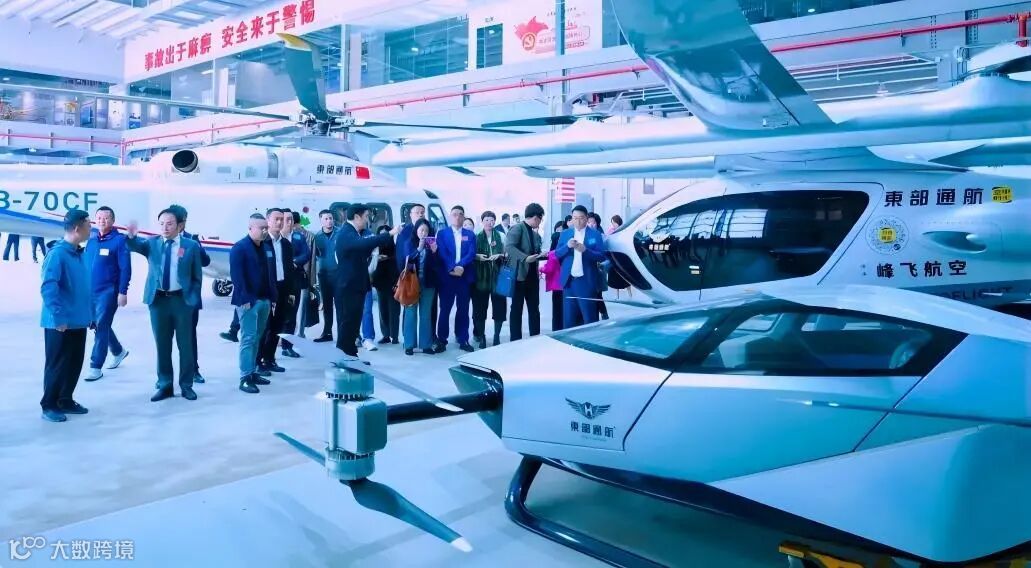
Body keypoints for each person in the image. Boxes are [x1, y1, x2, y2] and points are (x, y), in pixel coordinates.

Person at [126, 208, 204, 402]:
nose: (165, 227)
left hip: (181, 301)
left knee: (185, 346)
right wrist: (131, 236)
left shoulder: (191, 246)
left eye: (169, 224)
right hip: (158, 301)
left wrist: (192, 299)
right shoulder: (152, 243)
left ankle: (186, 385)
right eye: (161, 224)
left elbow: (197, 276)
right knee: (162, 345)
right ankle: (165, 385)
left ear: (179, 225)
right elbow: (133, 245)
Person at [39, 209, 93, 422]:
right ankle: (49, 405)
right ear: (77, 228)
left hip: (78, 319)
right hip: (60, 322)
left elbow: (85, 287)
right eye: (89, 224)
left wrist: (91, 314)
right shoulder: (58, 254)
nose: (91, 228)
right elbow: (48, 287)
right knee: (57, 364)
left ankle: (65, 399)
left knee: (74, 362)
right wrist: (58, 316)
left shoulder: (80, 253)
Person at [335, 204, 400, 358]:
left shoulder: (353, 233)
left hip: (357, 286)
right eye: (365, 217)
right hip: (348, 288)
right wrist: (390, 233)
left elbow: (362, 250)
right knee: (348, 324)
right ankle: (344, 358)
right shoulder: (346, 233)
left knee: (353, 324)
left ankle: (351, 356)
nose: (367, 220)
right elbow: (363, 244)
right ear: (356, 217)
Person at [229, 214, 277, 394]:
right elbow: (237, 277)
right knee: (248, 338)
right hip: (248, 302)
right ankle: (244, 377)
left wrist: (272, 298)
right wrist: (245, 300)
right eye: (261, 228)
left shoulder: (266, 247)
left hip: (264, 300)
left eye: (266, 228)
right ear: (250, 228)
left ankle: (253, 371)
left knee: (258, 337)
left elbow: (270, 274)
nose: (264, 231)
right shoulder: (239, 248)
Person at [83, 206, 131, 382]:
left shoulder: (119, 241)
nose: (102, 221)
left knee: (101, 326)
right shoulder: (91, 240)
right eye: (99, 218)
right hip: (90, 291)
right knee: (97, 324)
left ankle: (95, 366)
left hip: (108, 292)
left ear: (112, 220)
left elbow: (125, 268)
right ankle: (118, 351)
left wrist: (123, 292)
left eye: (106, 218)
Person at [169, 204, 210, 384]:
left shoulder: (192, 240)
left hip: (188, 299)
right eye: (182, 219)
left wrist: (197, 247)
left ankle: (194, 370)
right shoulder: (162, 241)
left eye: (184, 220)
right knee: (166, 338)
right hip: (166, 298)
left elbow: (206, 261)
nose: (183, 223)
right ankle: (166, 376)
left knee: (189, 336)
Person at [556, 205, 607, 329]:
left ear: (586, 218)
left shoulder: (595, 234)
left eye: (581, 218)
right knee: (569, 320)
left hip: (586, 281)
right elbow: (557, 254)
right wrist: (567, 247)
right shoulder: (565, 234)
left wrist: (586, 251)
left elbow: (602, 256)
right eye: (575, 218)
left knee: (589, 319)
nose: (578, 221)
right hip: (569, 282)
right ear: (572, 218)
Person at [257, 208, 295, 374]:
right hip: (267, 290)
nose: (279, 222)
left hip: (283, 289)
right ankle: (257, 362)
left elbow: (290, 270)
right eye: (276, 219)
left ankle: (270, 359)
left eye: (282, 219)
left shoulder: (286, 244)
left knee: (277, 327)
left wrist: (291, 292)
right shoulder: (262, 242)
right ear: (268, 220)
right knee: (263, 328)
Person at [434, 205, 476, 353]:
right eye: (454, 214)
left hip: (464, 276)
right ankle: (442, 340)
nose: (457, 217)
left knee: (463, 309)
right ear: (450, 216)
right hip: (447, 277)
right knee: (445, 309)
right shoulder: (442, 234)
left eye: (460, 214)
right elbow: (442, 253)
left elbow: (471, 253)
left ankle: (463, 338)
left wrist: (461, 266)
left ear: (464, 217)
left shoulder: (470, 235)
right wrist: (452, 267)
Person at [505, 203, 545, 341]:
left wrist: (541, 254)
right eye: (540, 219)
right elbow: (509, 247)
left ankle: (536, 337)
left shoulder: (535, 234)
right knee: (517, 308)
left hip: (532, 276)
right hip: (519, 276)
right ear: (535, 217)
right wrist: (525, 258)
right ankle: (515, 340)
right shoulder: (517, 228)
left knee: (534, 308)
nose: (540, 222)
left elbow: (535, 251)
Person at [402, 219, 439, 355]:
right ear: (416, 231)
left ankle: (426, 345)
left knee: (426, 314)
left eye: (426, 231)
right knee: (411, 313)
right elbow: (407, 260)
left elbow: (437, 265)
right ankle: (409, 345)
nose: (424, 233)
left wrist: (435, 252)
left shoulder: (432, 244)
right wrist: (419, 248)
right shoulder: (409, 243)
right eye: (421, 230)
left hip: (428, 283)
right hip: (412, 282)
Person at [472, 211, 507, 348]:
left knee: (499, 306)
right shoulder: (476, 237)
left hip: (498, 276)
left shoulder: (501, 236)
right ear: (482, 221)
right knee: (480, 308)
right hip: (481, 277)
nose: (489, 222)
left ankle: (497, 336)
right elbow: (471, 254)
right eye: (486, 220)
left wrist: (500, 255)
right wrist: (477, 256)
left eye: (492, 220)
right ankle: (482, 336)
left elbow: (507, 253)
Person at [279, 210, 311, 357]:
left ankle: (288, 346)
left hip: (294, 281)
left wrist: (294, 262)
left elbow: (306, 254)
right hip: (278, 282)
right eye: (286, 219)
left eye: (291, 219)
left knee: (291, 314)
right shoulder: (274, 239)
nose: (289, 222)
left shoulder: (298, 236)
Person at [312, 209, 338, 342]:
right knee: (327, 305)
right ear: (321, 220)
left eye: (331, 218)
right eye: (326, 219)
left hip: (339, 275)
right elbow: (314, 256)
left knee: (341, 305)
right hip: (324, 275)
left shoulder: (340, 234)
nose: (329, 221)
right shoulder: (316, 237)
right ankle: (327, 333)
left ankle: (345, 334)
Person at [372, 225, 401, 345]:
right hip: (380, 283)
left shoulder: (396, 248)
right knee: (382, 310)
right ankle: (386, 335)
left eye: (386, 234)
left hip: (394, 283)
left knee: (394, 311)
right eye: (381, 234)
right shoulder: (376, 250)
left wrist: (398, 282)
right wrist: (377, 258)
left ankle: (395, 336)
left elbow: (400, 265)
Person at [547, 220, 568, 331]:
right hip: (564, 280)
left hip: (556, 282)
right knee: (564, 306)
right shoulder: (565, 248)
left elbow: (549, 266)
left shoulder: (553, 252)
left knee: (557, 307)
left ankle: (556, 328)